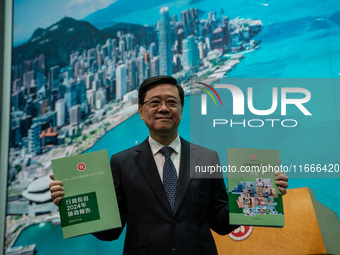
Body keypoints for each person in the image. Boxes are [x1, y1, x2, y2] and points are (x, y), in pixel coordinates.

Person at [50, 76, 289, 255]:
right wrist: (70, 202)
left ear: (181, 110)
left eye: (171, 102)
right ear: (141, 112)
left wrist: (261, 192)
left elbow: (221, 222)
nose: (164, 108)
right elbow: (111, 231)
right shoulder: (121, 162)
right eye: (155, 102)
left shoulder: (207, 158)